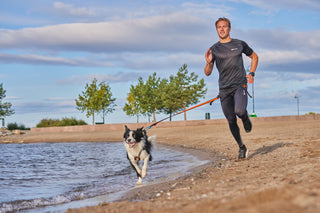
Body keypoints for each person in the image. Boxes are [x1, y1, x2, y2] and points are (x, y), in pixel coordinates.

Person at [204, 17, 258, 159]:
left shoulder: (239, 44)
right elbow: (207, 73)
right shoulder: (213, 49)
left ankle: (245, 118)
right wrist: (209, 63)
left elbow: (254, 57)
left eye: (224, 26)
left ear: (229, 28)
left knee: (239, 111)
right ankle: (242, 147)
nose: (221, 29)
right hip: (224, 89)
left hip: (240, 85)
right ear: (216, 30)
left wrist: (251, 73)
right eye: (219, 27)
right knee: (231, 120)